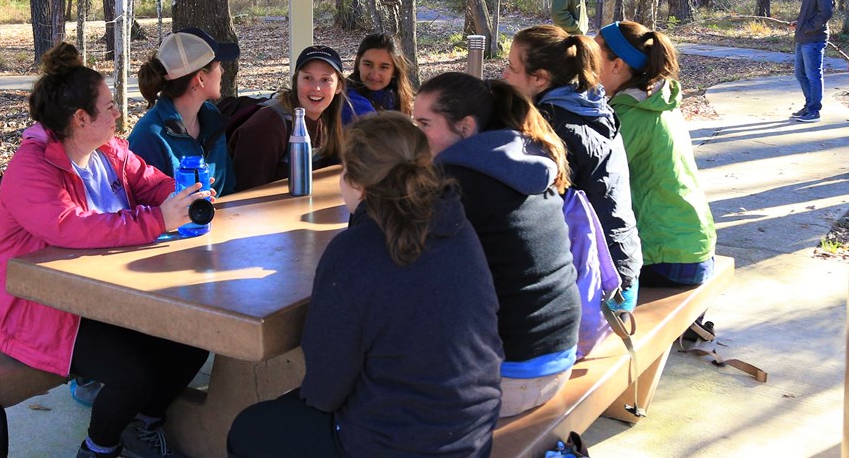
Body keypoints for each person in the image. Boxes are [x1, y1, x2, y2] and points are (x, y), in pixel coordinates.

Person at [0, 42, 212, 458]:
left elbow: (151, 182)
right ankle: (98, 448)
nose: (118, 114)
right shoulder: (30, 169)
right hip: (37, 308)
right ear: (80, 118)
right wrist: (159, 220)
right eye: (109, 107)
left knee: (194, 336)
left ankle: (141, 423)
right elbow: (71, 228)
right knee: (132, 374)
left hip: (104, 296)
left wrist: (188, 191)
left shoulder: (108, 150)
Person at [226, 113, 502, 458]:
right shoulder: (457, 225)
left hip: (397, 444)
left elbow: (324, 390)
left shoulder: (356, 251)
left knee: (249, 429)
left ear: (357, 182)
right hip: (472, 431)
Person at [414, 72, 580, 418]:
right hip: (559, 354)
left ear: (465, 127)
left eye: (425, 124)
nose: (416, 136)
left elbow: (397, 263)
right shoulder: (521, 160)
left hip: (509, 375)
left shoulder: (457, 184)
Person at [503, 25, 642, 310]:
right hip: (624, 271)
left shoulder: (551, 128)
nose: (504, 75)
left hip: (600, 288)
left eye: (511, 67)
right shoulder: (593, 105)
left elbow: (528, 210)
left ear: (540, 78)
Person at [596, 22, 716, 288]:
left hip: (667, 257)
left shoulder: (631, 115)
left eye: (593, 55)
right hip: (692, 246)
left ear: (617, 65)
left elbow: (590, 178)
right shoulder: (656, 102)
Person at [129, 28, 240, 196]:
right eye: (218, 65)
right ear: (200, 78)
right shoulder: (148, 137)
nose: (223, 71)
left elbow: (228, 189)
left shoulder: (212, 117)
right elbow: (145, 210)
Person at [229, 45, 355, 191]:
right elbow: (245, 195)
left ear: (339, 86)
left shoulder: (329, 119)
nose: (316, 88)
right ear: (295, 82)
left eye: (325, 80)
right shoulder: (268, 126)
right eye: (308, 78)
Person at [790, 0, 834, 123]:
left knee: (813, 75)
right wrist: (799, 22)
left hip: (814, 40)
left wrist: (806, 27)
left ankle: (814, 111)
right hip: (803, 37)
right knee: (800, 74)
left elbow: (825, 14)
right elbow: (811, 11)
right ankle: (809, 105)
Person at [345, 32, 416, 117]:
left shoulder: (395, 95)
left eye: (384, 67)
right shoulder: (351, 101)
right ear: (358, 63)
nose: (375, 75)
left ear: (394, 70)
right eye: (368, 65)